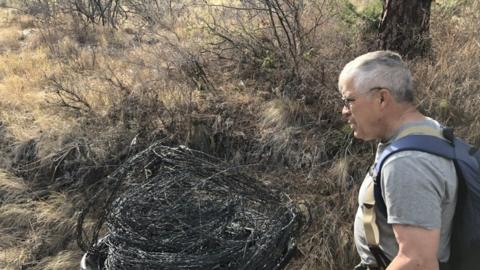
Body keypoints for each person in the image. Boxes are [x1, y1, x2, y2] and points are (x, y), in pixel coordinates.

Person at [338, 51, 457, 270]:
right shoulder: (425, 129)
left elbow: (418, 261)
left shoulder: (407, 163)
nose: (344, 111)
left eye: (349, 100)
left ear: (382, 99)